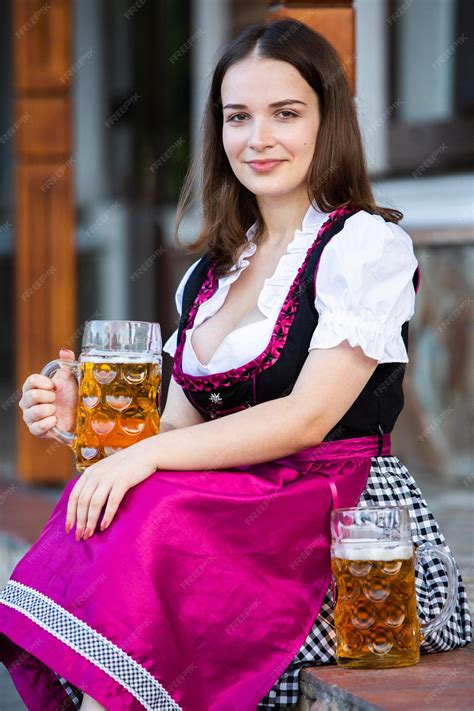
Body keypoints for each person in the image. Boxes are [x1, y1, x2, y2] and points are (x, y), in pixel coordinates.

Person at [0, 18, 471, 711]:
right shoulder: (210, 274)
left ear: (327, 121)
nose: (258, 138)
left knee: (154, 508)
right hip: (228, 506)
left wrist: (141, 461)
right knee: (107, 504)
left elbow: (307, 418)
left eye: (285, 113)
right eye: (237, 116)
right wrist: (86, 429)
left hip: (334, 516)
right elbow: (178, 425)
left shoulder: (363, 246)